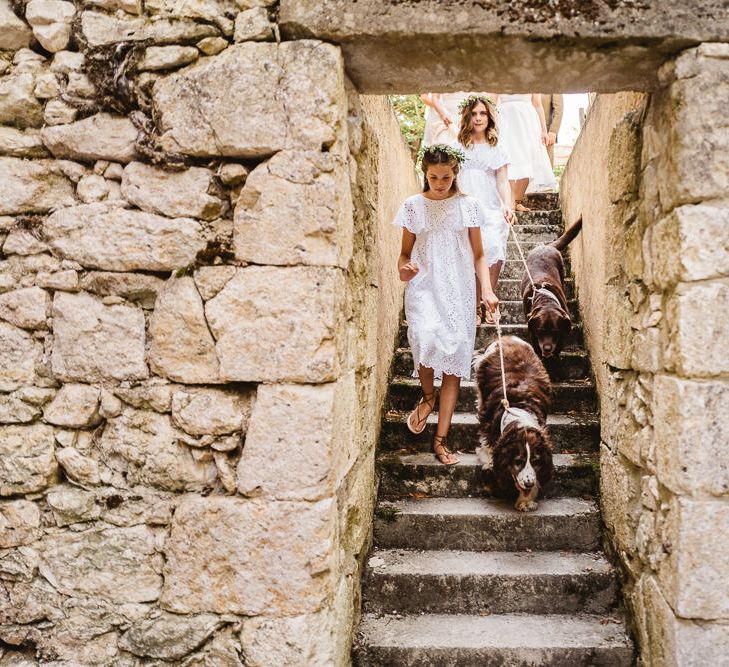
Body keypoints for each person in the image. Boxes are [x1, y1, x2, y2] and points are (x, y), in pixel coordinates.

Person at [395, 144, 499, 465]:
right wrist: (405, 269)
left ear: (456, 174)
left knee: (453, 358)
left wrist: (486, 291)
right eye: (433, 176)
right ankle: (428, 398)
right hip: (425, 285)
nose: (439, 182)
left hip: (459, 289)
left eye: (446, 176)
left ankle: (441, 440)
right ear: (424, 175)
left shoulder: (468, 206)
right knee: (425, 340)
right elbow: (403, 256)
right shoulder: (413, 207)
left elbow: (480, 255)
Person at [454, 94, 515, 320]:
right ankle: (474, 305)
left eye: (483, 113)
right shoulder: (457, 145)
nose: (478, 118)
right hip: (465, 205)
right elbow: (452, 177)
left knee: (495, 246)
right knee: (472, 253)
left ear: (489, 117)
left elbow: (502, 180)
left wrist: (507, 205)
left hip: (490, 206)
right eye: (474, 114)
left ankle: (489, 298)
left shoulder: (496, 146)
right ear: (467, 116)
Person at [495, 93, 557, 211]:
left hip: (527, 121)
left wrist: (544, 130)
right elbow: (491, 102)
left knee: (528, 158)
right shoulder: (500, 77)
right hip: (504, 120)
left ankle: (517, 201)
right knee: (508, 159)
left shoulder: (532, 78)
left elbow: (538, 105)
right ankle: (509, 202)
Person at [540, 93, 564, 166]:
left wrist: (553, 131)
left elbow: (559, 110)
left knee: (546, 167)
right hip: (526, 132)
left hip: (546, 135)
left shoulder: (553, 83)